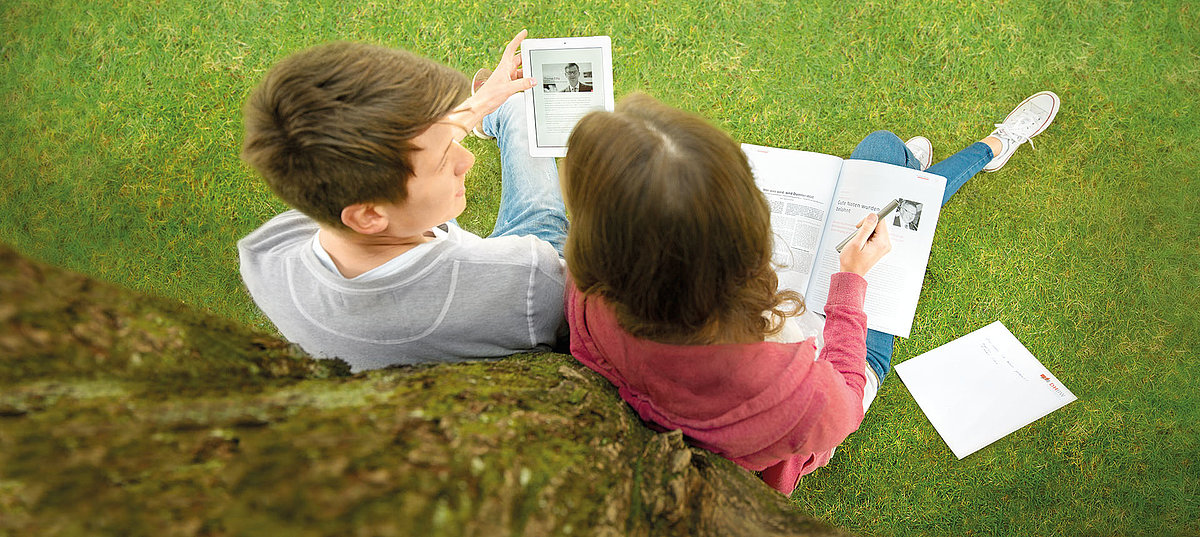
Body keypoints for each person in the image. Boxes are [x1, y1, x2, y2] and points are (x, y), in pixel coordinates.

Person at [560, 91, 1059, 495]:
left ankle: (914, 172)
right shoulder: (780, 385)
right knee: (884, 170)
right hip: (826, 373)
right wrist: (851, 285)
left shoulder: (588, 293)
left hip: (740, 342)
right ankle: (988, 149)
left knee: (887, 159)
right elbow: (844, 404)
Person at [238, 31, 571, 372]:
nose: (467, 160)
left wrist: (478, 104)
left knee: (509, 107)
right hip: (487, 284)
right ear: (368, 216)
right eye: (443, 159)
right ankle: (505, 114)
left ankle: (492, 114)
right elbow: (568, 323)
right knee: (541, 214)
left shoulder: (267, 254)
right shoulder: (528, 279)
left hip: (420, 249)